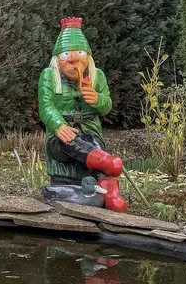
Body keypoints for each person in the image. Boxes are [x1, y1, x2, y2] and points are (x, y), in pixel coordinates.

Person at [37, 17, 128, 212]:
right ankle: (106, 165)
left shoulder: (97, 76)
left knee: (90, 142)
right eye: (66, 55)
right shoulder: (49, 76)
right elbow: (45, 106)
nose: (73, 61)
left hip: (90, 131)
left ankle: (109, 189)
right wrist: (59, 125)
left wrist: (97, 99)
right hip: (61, 137)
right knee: (69, 141)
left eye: (80, 54)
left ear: (87, 56)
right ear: (57, 59)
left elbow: (107, 107)